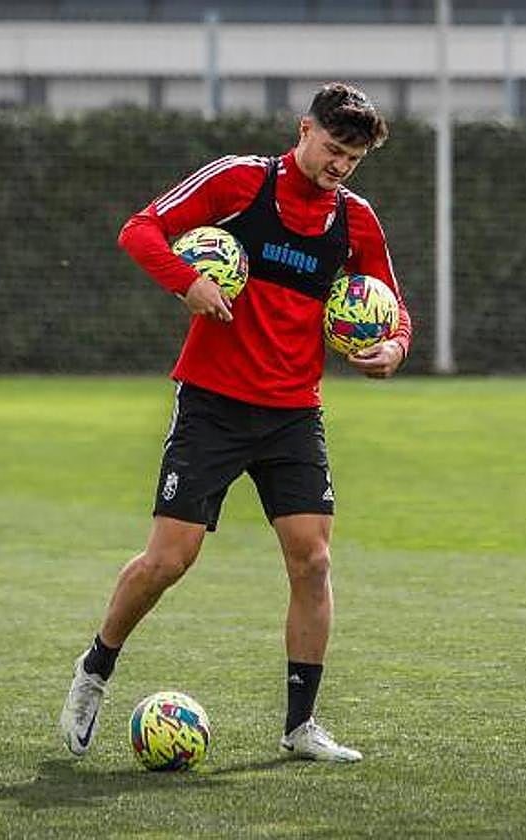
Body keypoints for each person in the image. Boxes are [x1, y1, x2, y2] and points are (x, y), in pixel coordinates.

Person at [59, 82, 411, 763]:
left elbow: (393, 309)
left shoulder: (355, 220)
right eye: (333, 149)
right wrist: (185, 281)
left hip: (293, 412)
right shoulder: (241, 182)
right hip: (214, 404)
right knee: (169, 560)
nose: (340, 166)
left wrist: (391, 348)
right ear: (304, 129)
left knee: (313, 560)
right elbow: (140, 230)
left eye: (353, 159)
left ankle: (300, 726)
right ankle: (94, 670)